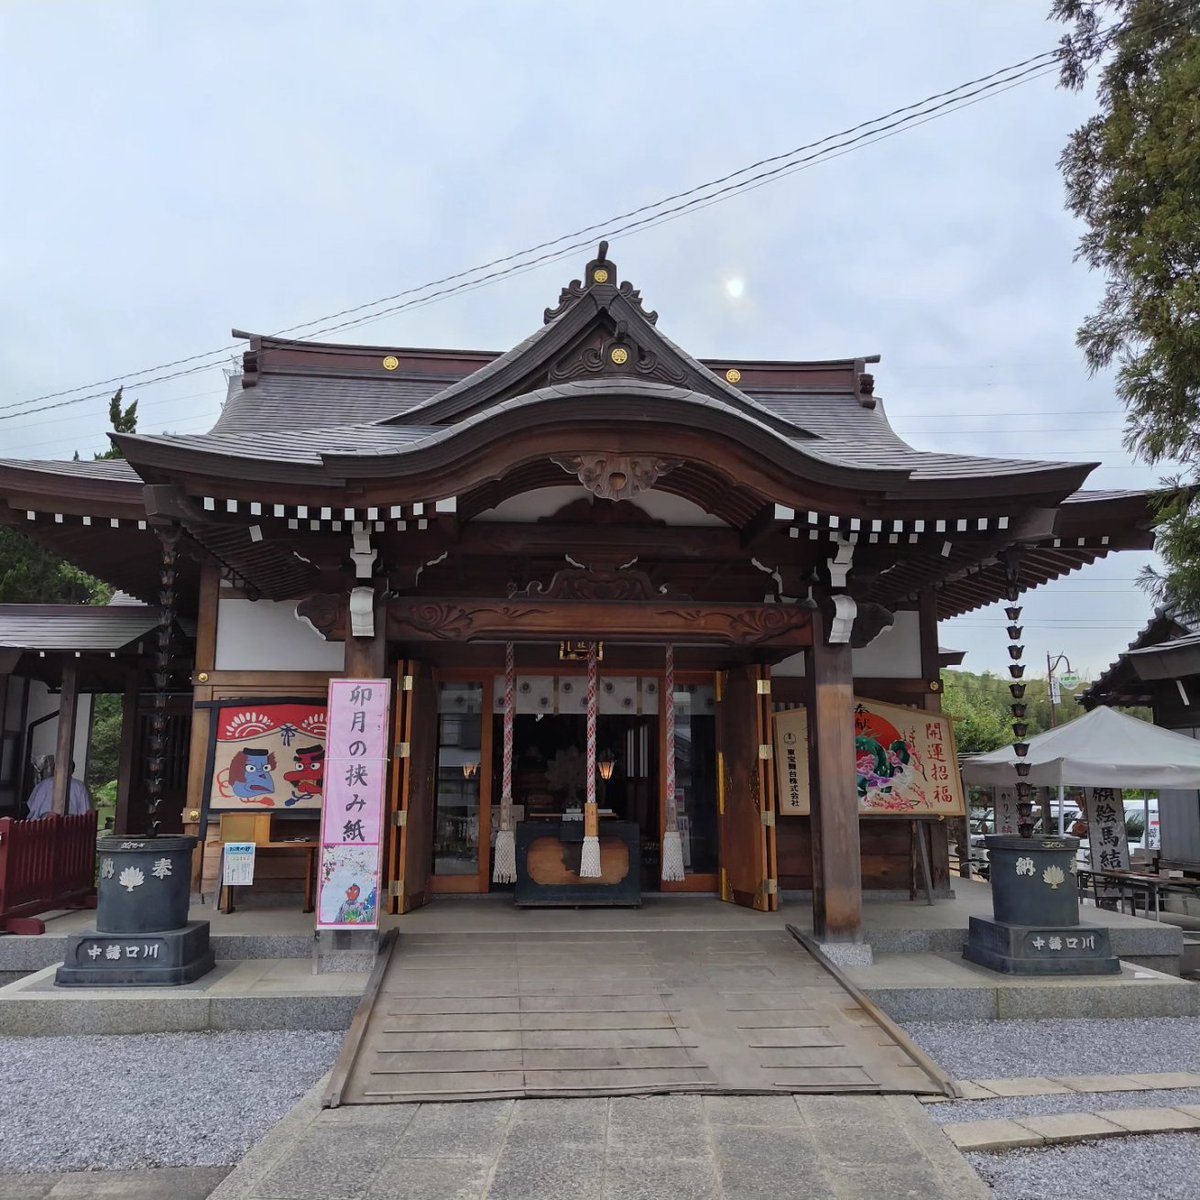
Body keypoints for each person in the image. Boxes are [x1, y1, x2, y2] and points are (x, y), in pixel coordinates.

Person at [26, 757, 92, 819]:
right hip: (68, 822)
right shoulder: (79, 786)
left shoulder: (43, 784)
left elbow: (32, 806)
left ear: (54, 769)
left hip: (46, 822)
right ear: (72, 771)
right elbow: (85, 810)